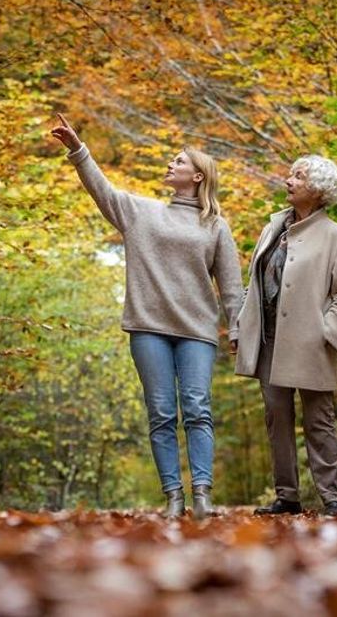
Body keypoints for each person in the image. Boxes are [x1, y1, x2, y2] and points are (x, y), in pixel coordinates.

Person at [51, 114, 243, 519]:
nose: (170, 165)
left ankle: (203, 496)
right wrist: (77, 149)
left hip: (196, 332)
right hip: (148, 328)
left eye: (179, 161)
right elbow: (101, 190)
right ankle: (174, 497)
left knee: (197, 409)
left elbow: (231, 287)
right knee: (161, 412)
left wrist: (238, 330)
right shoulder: (139, 212)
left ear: (197, 177)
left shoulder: (215, 226)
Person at [234, 155, 337, 517]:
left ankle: (332, 499)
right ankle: (287, 496)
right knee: (277, 419)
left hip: (313, 342)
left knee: (319, 420)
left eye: (299, 176)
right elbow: (254, 285)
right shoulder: (273, 227)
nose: (289, 180)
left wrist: (328, 331)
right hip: (268, 340)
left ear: (319, 190)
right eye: (291, 174)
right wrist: (241, 328)